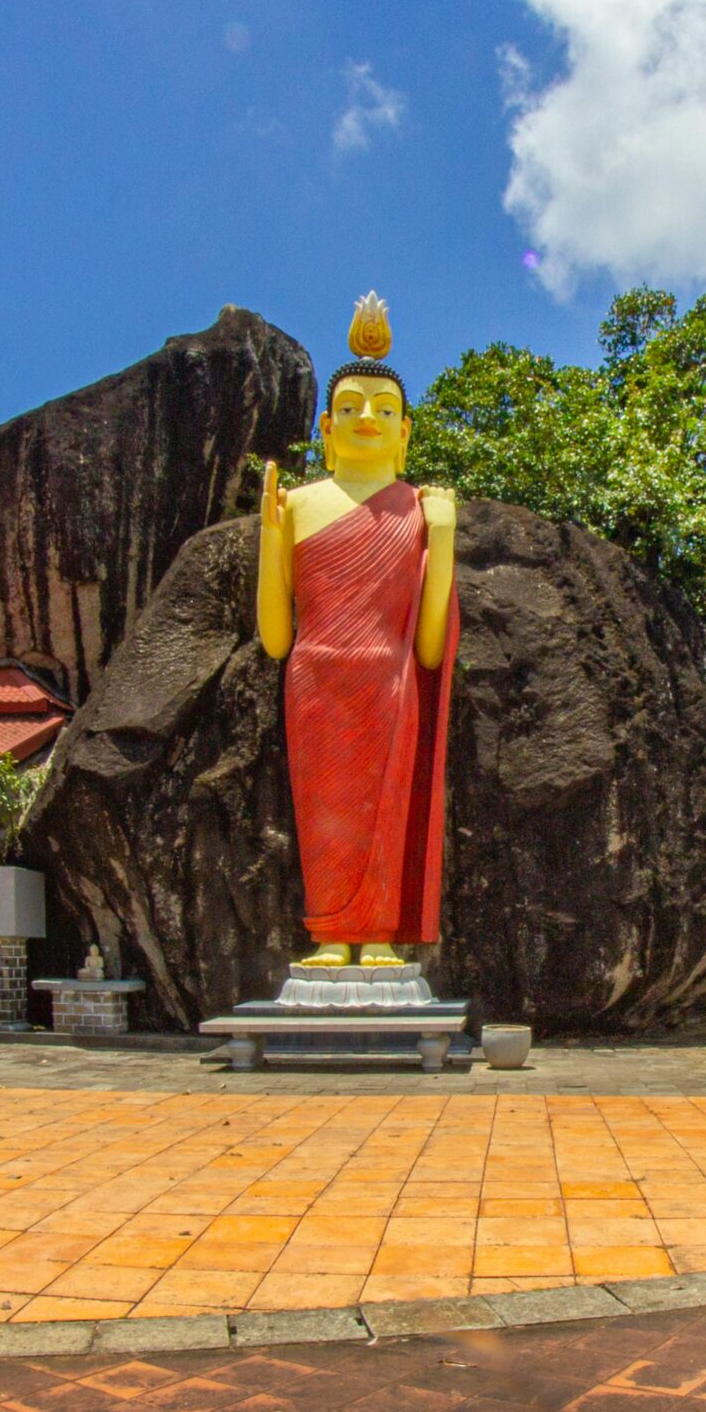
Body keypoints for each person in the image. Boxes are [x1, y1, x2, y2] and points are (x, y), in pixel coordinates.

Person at [255, 291, 460, 969]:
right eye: (349, 407)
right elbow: (276, 639)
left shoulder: (417, 508)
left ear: (406, 431)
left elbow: (430, 647)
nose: (365, 417)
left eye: (382, 409)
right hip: (314, 680)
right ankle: (331, 932)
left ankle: (376, 931)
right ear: (325, 426)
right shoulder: (299, 504)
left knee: (382, 811)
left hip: (388, 682)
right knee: (326, 817)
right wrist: (268, 538)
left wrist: (446, 537)